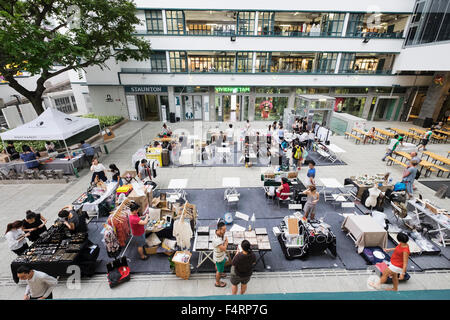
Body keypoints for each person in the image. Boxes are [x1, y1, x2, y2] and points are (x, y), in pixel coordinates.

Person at [213, 221, 228, 288]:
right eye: (224, 230)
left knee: (218, 267)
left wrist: (225, 241)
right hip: (219, 258)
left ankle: (219, 272)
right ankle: (217, 282)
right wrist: (226, 242)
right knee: (219, 271)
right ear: (219, 229)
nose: (225, 231)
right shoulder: (217, 240)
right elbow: (224, 248)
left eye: (225, 229)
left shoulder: (218, 232)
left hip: (219, 256)